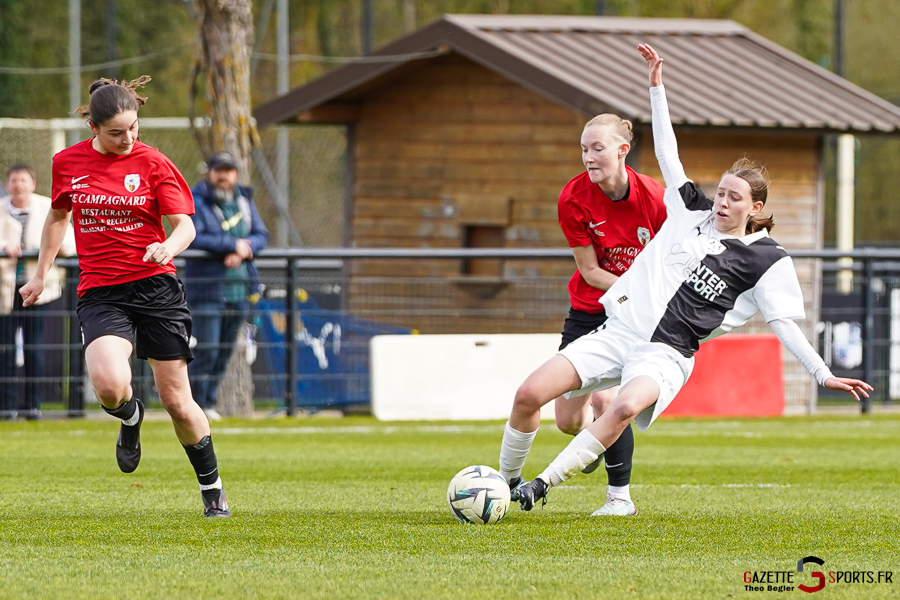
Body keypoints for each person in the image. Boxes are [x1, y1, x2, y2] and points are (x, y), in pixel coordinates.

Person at [505, 44, 873, 513]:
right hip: (618, 330)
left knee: (620, 407)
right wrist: (656, 87)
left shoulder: (766, 259)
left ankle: (545, 486)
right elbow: (665, 149)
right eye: (720, 193)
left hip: (667, 354)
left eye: (734, 198)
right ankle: (504, 482)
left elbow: (783, 324)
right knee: (530, 395)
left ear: (754, 209)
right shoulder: (686, 208)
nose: (721, 202)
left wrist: (822, 374)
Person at [19, 76, 231, 517]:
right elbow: (58, 217)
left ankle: (212, 490)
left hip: (156, 289)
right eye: (116, 132)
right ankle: (129, 417)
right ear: (92, 128)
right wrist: (40, 275)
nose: (128, 139)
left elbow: (186, 226)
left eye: (133, 128)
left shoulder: (153, 162)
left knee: (176, 401)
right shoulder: (68, 163)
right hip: (102, 291)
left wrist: (167, 248)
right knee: (111, 386)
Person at [501, 115, 667, 517]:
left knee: (612, 399)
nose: (588, 158)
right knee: (568, 422)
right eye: (583, 149)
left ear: (622, 150)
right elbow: (591, 271)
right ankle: (590, 437)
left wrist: (651, 307)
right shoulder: (573, 198)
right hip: (589, 308)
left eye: (597, 148)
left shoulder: (656, 198)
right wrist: (634, 293)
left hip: (637, 320)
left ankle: (619, 499)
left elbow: (669, 264)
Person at [184, 151, 269, 421]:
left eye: (229, 170)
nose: (224, 175)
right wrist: (232, 245)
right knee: (205, 349)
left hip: (239, 289)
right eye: (219, 170)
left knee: (224, 351)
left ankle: (208, 404)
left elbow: (261, 235)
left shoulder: (244, 200)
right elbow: (193, 235)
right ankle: (193, 406)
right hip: (207, 289)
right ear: (209, 172)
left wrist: (245, 249)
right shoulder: (196, 200)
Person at [0, 164, 76, 420]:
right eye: (13, 180)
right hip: (5, 289)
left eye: (23, 180)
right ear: (7, 184)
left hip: (39, 290)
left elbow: (69, 243)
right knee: (5, 348)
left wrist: (44, 248)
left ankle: (32, 406)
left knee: (35, 346)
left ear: (33, 183)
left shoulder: (48, 207)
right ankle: (6, 406)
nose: (18, 185)